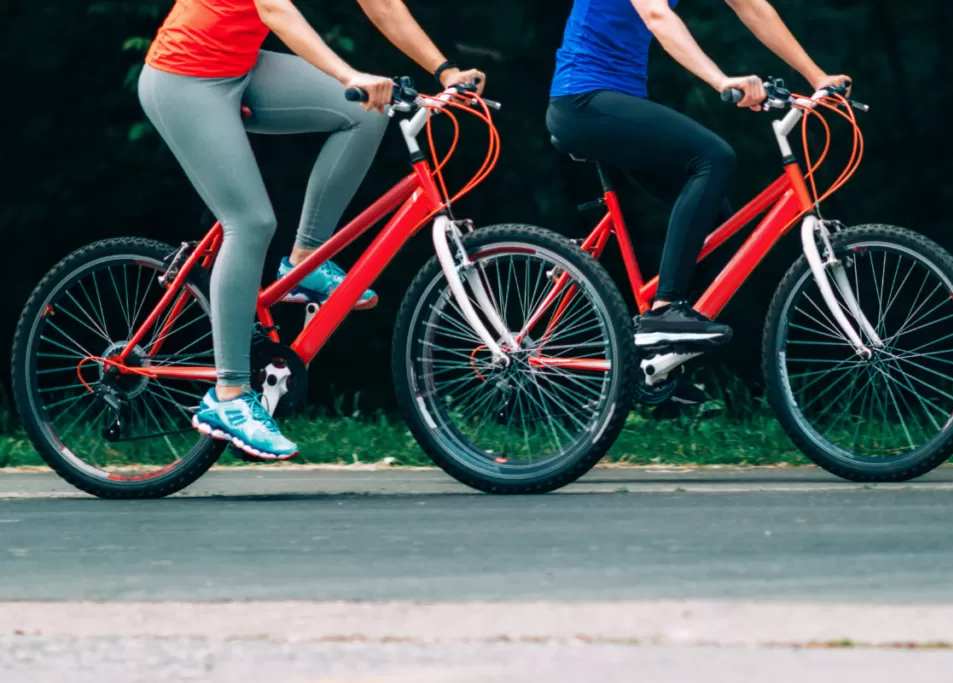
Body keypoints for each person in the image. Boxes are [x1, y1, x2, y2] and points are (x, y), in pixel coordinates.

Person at [140, 0, 485, 459]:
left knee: (364, 113)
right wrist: (348, 75)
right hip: (184, 79)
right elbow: (274, 9)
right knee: (250, 222)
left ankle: (304, 261)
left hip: (241, 66)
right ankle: (228, 396)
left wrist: (444, 70)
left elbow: (381, 4)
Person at [546, 0, 851, 351]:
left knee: (717, 223)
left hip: (616, 104)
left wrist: (817, 78)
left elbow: (752, 7)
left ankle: (660, 363)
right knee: (714, 156)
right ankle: (664, 313)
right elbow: (657, 16)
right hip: (582, 102)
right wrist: (721, 80)